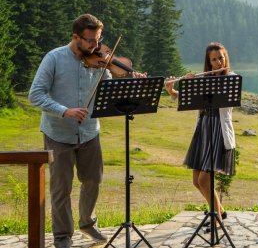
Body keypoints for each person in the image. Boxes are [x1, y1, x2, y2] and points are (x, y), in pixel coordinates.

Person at [29, 14, 145, 248]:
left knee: (93, 180)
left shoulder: (98, 61)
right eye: (91, 41)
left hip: (90, 131)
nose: (96, 47)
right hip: (58, 133)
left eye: (99, 40)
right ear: (75, 37)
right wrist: (65, 110)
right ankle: (62, 237)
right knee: (61, 188)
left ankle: (87, 223)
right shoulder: (54, 58)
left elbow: (109, 88)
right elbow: (36, 95)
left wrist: (132, 79)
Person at [164, 42, 236, 226]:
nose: (219, 62)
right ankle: (219, 211)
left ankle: (216, 219)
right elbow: (191, 99)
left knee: (205, 179)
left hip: (219, 131)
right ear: (209, 63)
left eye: (221, 57)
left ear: (225, 57)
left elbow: (226, 102)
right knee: (196, 180)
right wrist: (173, 89)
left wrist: (197, 83)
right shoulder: (204, 78)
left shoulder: (232, 78)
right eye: (214, 60)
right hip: (204, 128)